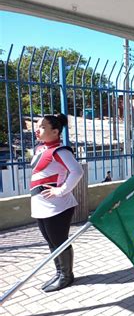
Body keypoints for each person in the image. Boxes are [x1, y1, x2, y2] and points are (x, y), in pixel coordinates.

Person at [31, 114, 84, 292]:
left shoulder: (60, 151)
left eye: (42, 127)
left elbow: (77, 171)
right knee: (51, 241)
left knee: (59, 241)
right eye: (37, 126)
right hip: (42, 204)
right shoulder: (41, 149)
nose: (37, 130)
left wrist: (60, 190)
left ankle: (66, 276)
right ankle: (60, 272)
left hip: (57, 205)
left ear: (55, 131)